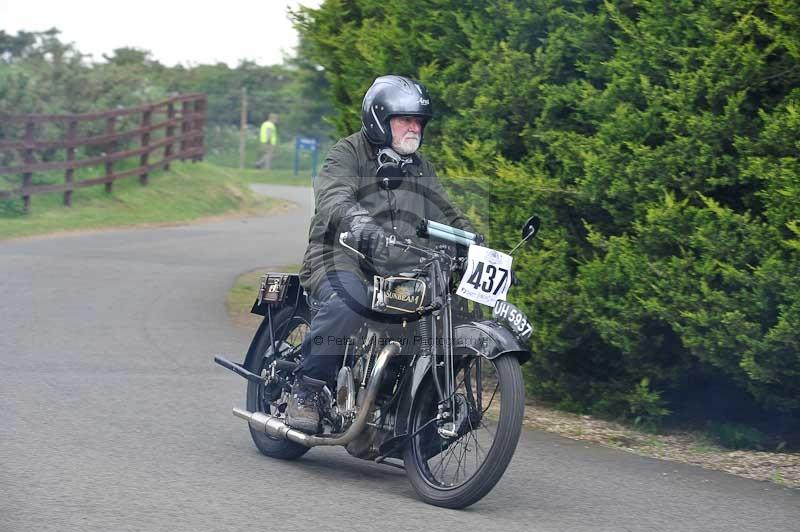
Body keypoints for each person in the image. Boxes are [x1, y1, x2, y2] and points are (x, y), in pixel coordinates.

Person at [286, 75, 476, 433]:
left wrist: (470, 240)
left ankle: (414, 410)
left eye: (418, 121)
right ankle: (307, 390)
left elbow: (445, 211)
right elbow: (334, 197)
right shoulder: (348, 152)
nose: (414, 128)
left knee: (445, 314)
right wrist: (361, 225)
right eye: (405, 120)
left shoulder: (421, 167)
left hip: (398, 267)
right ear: (379, 118)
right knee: (350, 300)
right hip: (340, 255)